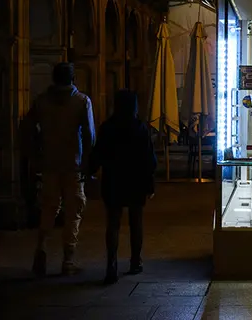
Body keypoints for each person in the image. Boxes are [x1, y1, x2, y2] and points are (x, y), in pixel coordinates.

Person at [22, 62, 95, 276]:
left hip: (49, 163)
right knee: (73, 211)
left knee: (48, 208)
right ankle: (68, 260)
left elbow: (27, 127)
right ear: (73, 79)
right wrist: (88, 164)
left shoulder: (42, 101)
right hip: (73, 164)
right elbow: (90, 136)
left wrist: (34, 155)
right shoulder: (82, 101)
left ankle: (41, 250)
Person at [88, 90, 157, 285]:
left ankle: (111, 264)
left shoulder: (107, 127)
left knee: (113, 223)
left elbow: (98, 153)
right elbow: (149, 160)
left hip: (113, 180)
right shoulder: (140, 128)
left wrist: (90, 170)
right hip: (135, 181)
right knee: (136, 222)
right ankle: (135, 260)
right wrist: (150, 182)